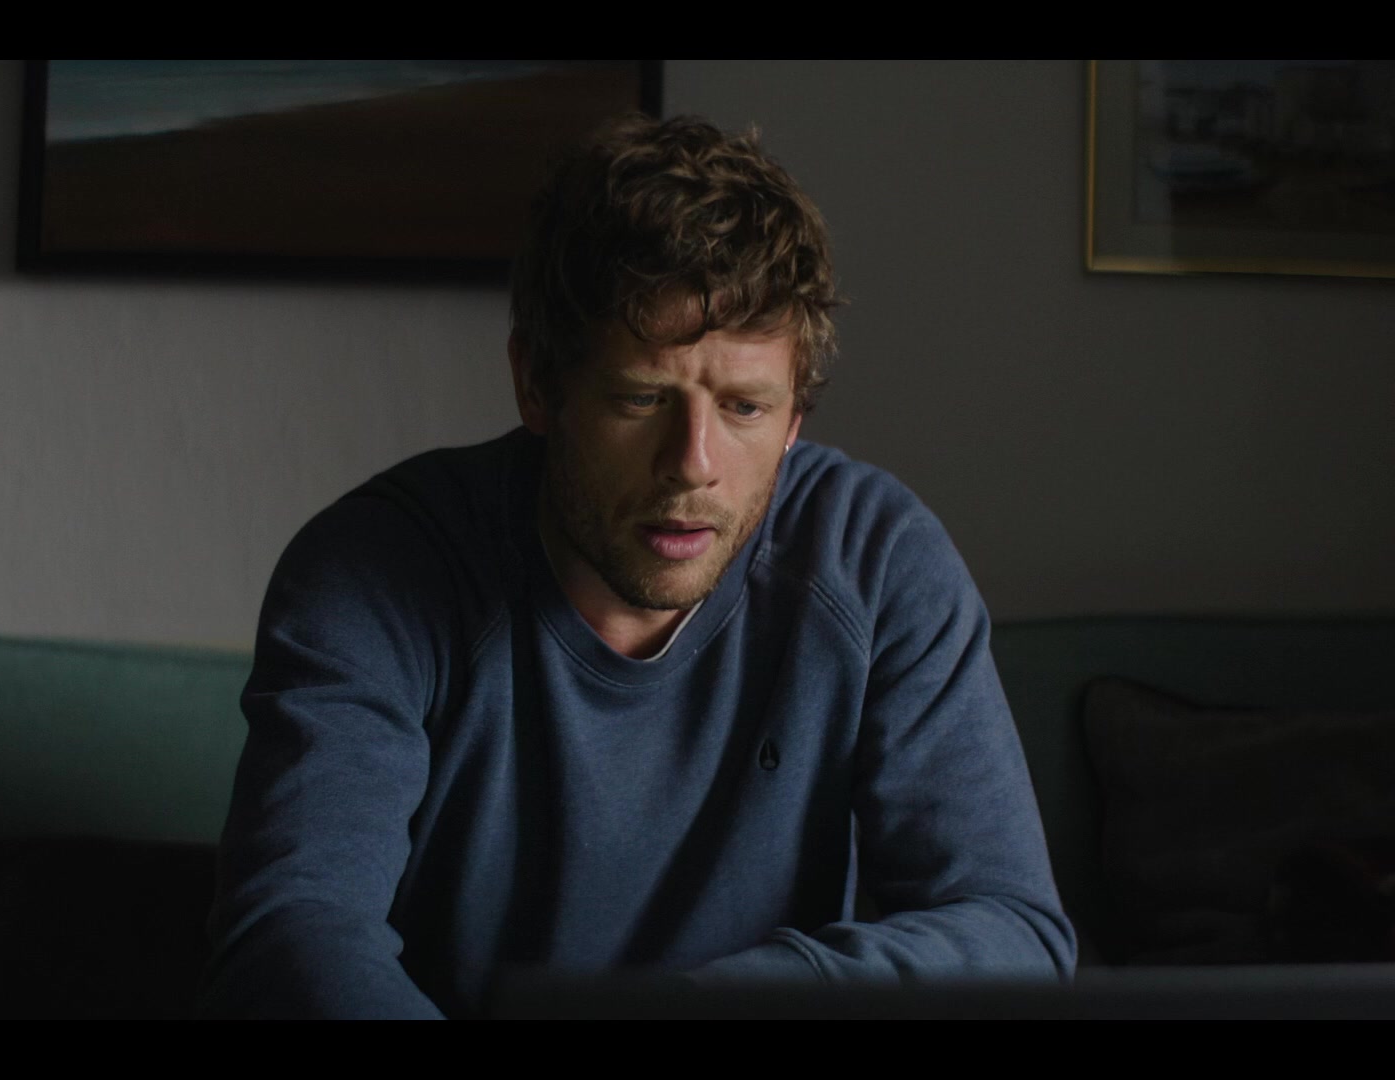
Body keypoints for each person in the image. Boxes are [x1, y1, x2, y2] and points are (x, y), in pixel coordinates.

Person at [199, 114, 1076, 1019]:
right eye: (642, 398)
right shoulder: (373, 569)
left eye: (744, 408)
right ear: (537, 384)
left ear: (795, 419)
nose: (693, 464)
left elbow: (1012, 930)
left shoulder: (876, 562)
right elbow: (292, 932)